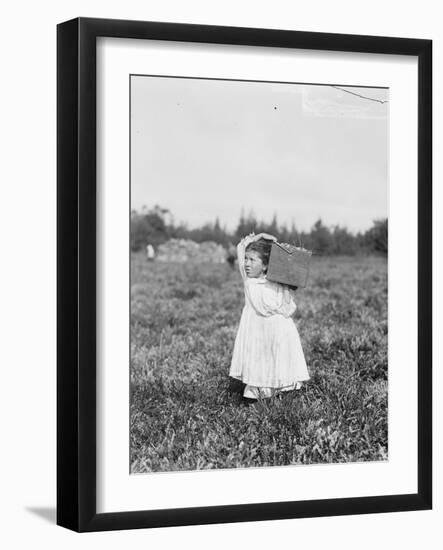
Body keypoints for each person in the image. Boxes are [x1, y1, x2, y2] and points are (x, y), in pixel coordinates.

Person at [229, 232, 309, 401]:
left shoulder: (276, 283)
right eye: (246, 259)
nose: (247, 264)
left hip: (278, 332)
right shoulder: (249, 281)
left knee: (278, 362)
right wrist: (258, 237)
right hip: (256, 333)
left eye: (252, 260)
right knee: (259, 364)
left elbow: (287, 309)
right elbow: (241, 247)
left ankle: (282, 393)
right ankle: (256, 396)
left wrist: (287, 287)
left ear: (265, 266)